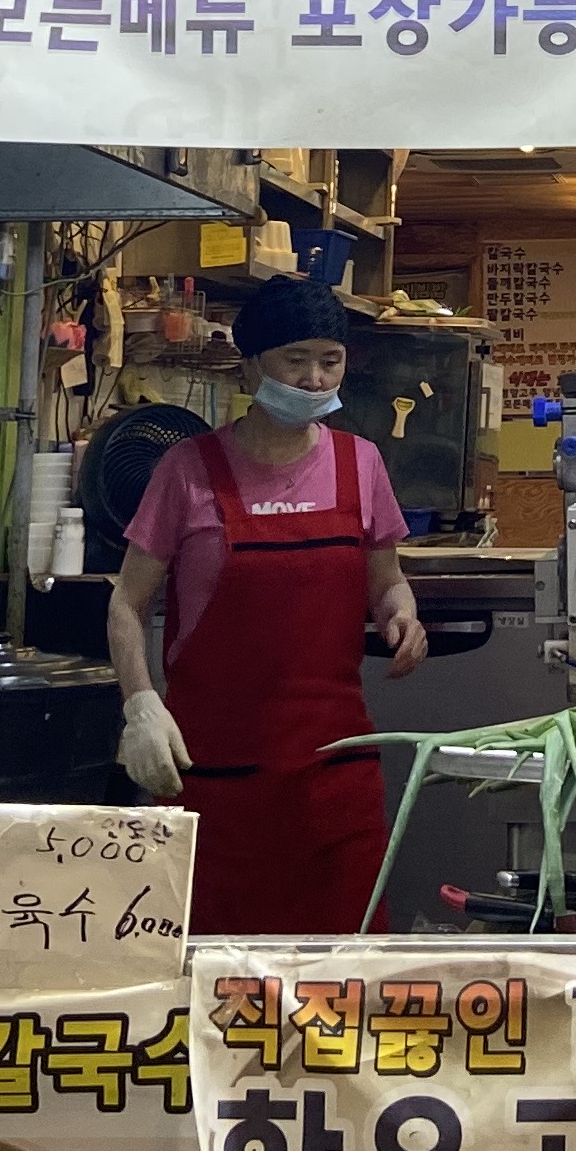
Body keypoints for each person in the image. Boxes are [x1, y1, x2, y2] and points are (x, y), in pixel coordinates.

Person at [108, 273, 427, 932]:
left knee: (344, 971)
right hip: (213, 775)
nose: (314, 378)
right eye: (295, 359)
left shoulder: (360, 463)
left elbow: (387, 581)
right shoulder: (189, 470)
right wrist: (141, 704)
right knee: (211, 970)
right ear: (252, 365)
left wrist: (403, 613)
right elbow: (127, 603)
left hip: (334, 776)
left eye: (330, 360)